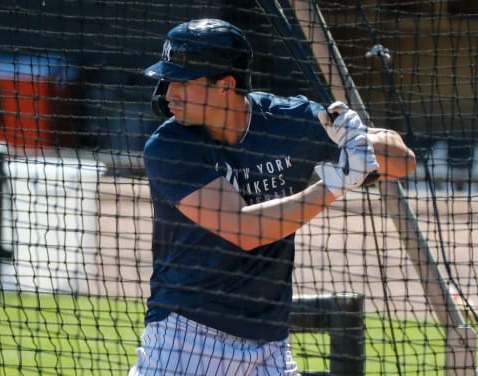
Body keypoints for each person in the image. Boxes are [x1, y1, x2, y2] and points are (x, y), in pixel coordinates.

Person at [129, 18, 416, 376]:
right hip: (187, 337)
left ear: (225, 86)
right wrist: (333, 185)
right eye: (167, 79)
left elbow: (404, 161)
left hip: (270, 343)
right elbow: (245, 229)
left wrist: (359, 140)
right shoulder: (170, 146)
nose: (169, 92)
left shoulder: (287, 120)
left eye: (183, 82)